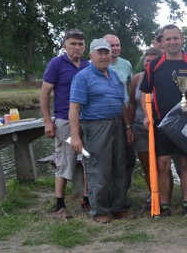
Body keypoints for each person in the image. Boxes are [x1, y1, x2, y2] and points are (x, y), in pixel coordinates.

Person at [139, 25, 187, 217]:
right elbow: (144, 92)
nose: (172, 42)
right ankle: (164, 204)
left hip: (184, 122)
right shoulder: (154, 65)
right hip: (161, 124)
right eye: (168, 39)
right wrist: (148, 115)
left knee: (185, 163)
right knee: (163, 164)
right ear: (162, 42)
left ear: (182, 39)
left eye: (176, 38)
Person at [69, 39, 133, 224]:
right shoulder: (83, 77)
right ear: (91, 55)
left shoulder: (114, 76)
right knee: (99, 169)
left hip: (117, 125)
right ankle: (100, 210)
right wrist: (75, 136)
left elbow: (121, 105)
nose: (105, 56)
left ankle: (119, 206)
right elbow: (74, 108)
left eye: (107, 52)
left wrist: (127, 126)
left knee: (119, 167)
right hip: (95, 127)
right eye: (100, 53)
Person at [40, 30, 90, 219]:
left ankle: (87, 198)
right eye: (73, 44)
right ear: (65, 46)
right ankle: (60, 204)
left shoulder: (88, 65)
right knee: (64, 160)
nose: (77, 47)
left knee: (88, 158)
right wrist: (48, 122)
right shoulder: (56, 64)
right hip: (64, 120)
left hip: (87, 120)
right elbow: (44, 95)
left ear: (84, 47)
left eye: (80, 44)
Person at [126, 47, 161, 208]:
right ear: (144, 62)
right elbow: (132, 104)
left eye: (154, 62)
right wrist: (129, 126)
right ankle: (152, 193)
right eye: (147, 61)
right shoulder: (137, 79)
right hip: (141, 127)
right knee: (147, 164)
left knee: (162, 164)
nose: (150, 65)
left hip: (161, 127)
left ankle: (164, 195)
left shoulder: (165, 78)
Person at [104, 34, 136, 192]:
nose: (115, 48)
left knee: (129, 155)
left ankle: (124, 191)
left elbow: (130, 89)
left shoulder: (126, 64)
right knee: (108, 157)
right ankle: (107, 192)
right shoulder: (93, 65)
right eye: (112, 45)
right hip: (104, 118)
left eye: (117, 45)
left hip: (125, 116)